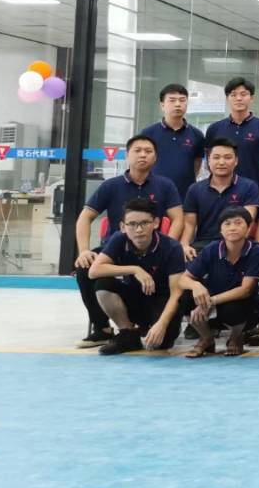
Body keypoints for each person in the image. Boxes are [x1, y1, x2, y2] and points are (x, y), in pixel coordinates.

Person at [73, 135, 184, 348]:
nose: (143, 155)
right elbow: (85, 217)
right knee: (85, 268)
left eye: (148, 151)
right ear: (127, 155)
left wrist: (167, 247)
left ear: (155, 157)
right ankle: (102, 328)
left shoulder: (165, 185)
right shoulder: (111, 186)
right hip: (117, 249)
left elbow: (178, 218)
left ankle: (151, 321)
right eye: (137, 151)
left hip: (152, 247)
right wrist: (84, 250)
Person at [87, 198, 186, 355]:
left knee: (161, 343)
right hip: (134, 297)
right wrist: (135, 270)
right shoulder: (119, 239)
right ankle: (128, 334)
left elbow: (176, 293)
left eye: (144, 223)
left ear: (156, 223)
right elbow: (94, 271)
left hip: (161, 299)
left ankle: (155, 327)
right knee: (103, 283)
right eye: (132, 224)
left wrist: (161, 324)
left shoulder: (172, 247)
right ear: (123, 227)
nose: (138, 230)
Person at [178, 206, 259, 358]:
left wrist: (210, 302)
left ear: (248, 227)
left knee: (234, 308)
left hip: (242, 305)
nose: (232, 228)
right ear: (221, 230)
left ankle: (236, 337)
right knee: (185, 298)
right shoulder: (211, 249)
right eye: (227, 224)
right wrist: (196, 286)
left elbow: (245, 290)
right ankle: (206, 337)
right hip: (213, 302)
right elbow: (183, 279)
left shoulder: (257, 251)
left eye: (238, 223)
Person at [179, 139, 259, 257]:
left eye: (227, 157)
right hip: (204, 246)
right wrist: (184, 245)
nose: (221, 162)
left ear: (236, 161)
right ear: (208, 161)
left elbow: (248, 221)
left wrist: (234, 246)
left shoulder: (249, 187)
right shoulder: (195, 189)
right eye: (216, 157)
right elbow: (189, 224)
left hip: (237, 245)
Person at [203, 77, 259, 185]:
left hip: (252, 188)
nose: (239, 98)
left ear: (252, 98)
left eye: (243, 94)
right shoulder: (214, 128)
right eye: (233, 95)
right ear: (227, 98)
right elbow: (209, 162)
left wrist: (254, 179)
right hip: (221, 189)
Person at [139, 83, 205, 199]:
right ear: (162, 105)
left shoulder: (197, 134)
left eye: (182, 100)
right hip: (153, 194)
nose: (178, 104)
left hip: (185, 195)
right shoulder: (148, 133)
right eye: (172, 100)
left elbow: (196, 165)